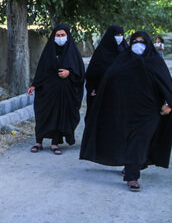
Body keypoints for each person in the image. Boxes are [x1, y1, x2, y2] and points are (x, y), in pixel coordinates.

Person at [80, 31, 172, 191]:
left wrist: (169, 104)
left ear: (148, 44)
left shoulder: (155, 62)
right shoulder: (123, 61)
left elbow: (167, 85)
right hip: (125, 111)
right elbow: (110, 79)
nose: (138, 44)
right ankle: (132, 167)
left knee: (140, 139)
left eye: (142, 42)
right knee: (130, 140)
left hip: (149, 112)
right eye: (135, 41)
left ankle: (132, 175)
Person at [28, 24, 85, 155]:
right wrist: (34, 85)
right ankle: (38, 142)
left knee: (58, 116)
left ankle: (55, 143)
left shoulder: (73, 52)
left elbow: (80, 73)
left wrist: (69, 73)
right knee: (43, 114)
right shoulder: (49, 50)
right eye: (57, 35)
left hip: (63, 93)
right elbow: (42, 69)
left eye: (62, 35)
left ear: (67, 36)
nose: (60, 38)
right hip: (47, 90)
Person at [84, 25, 128, 121]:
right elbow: (92, 72)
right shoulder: (101, 52)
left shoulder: (126, 51)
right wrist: (92, 88)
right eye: (117, 34)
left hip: (122, 93)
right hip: (103, 91)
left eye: (121, 34)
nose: (119, 37)